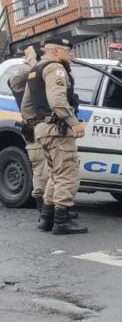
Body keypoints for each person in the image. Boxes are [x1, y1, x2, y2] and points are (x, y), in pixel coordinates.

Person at [26, 37, 87, 235]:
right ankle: (61, 220)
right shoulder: (55, 68)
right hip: (57, 130)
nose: (71, 56)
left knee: (54, 174)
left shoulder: (34, 71)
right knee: (67, 174)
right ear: (57, 51)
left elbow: (26, 107)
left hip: (43, 129)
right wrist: (73, 122)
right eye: (68, 52)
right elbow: (58, 100)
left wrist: (38, 125)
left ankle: (47, 217)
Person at [6, 44, 54, 231]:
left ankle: (52, 209)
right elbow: (15, 79)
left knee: (53, 172)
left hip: (49, 130)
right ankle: (43, 211)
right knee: (42, 172)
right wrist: (31, 60)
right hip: (34, 131)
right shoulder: (25, 78)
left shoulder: (45, 76)